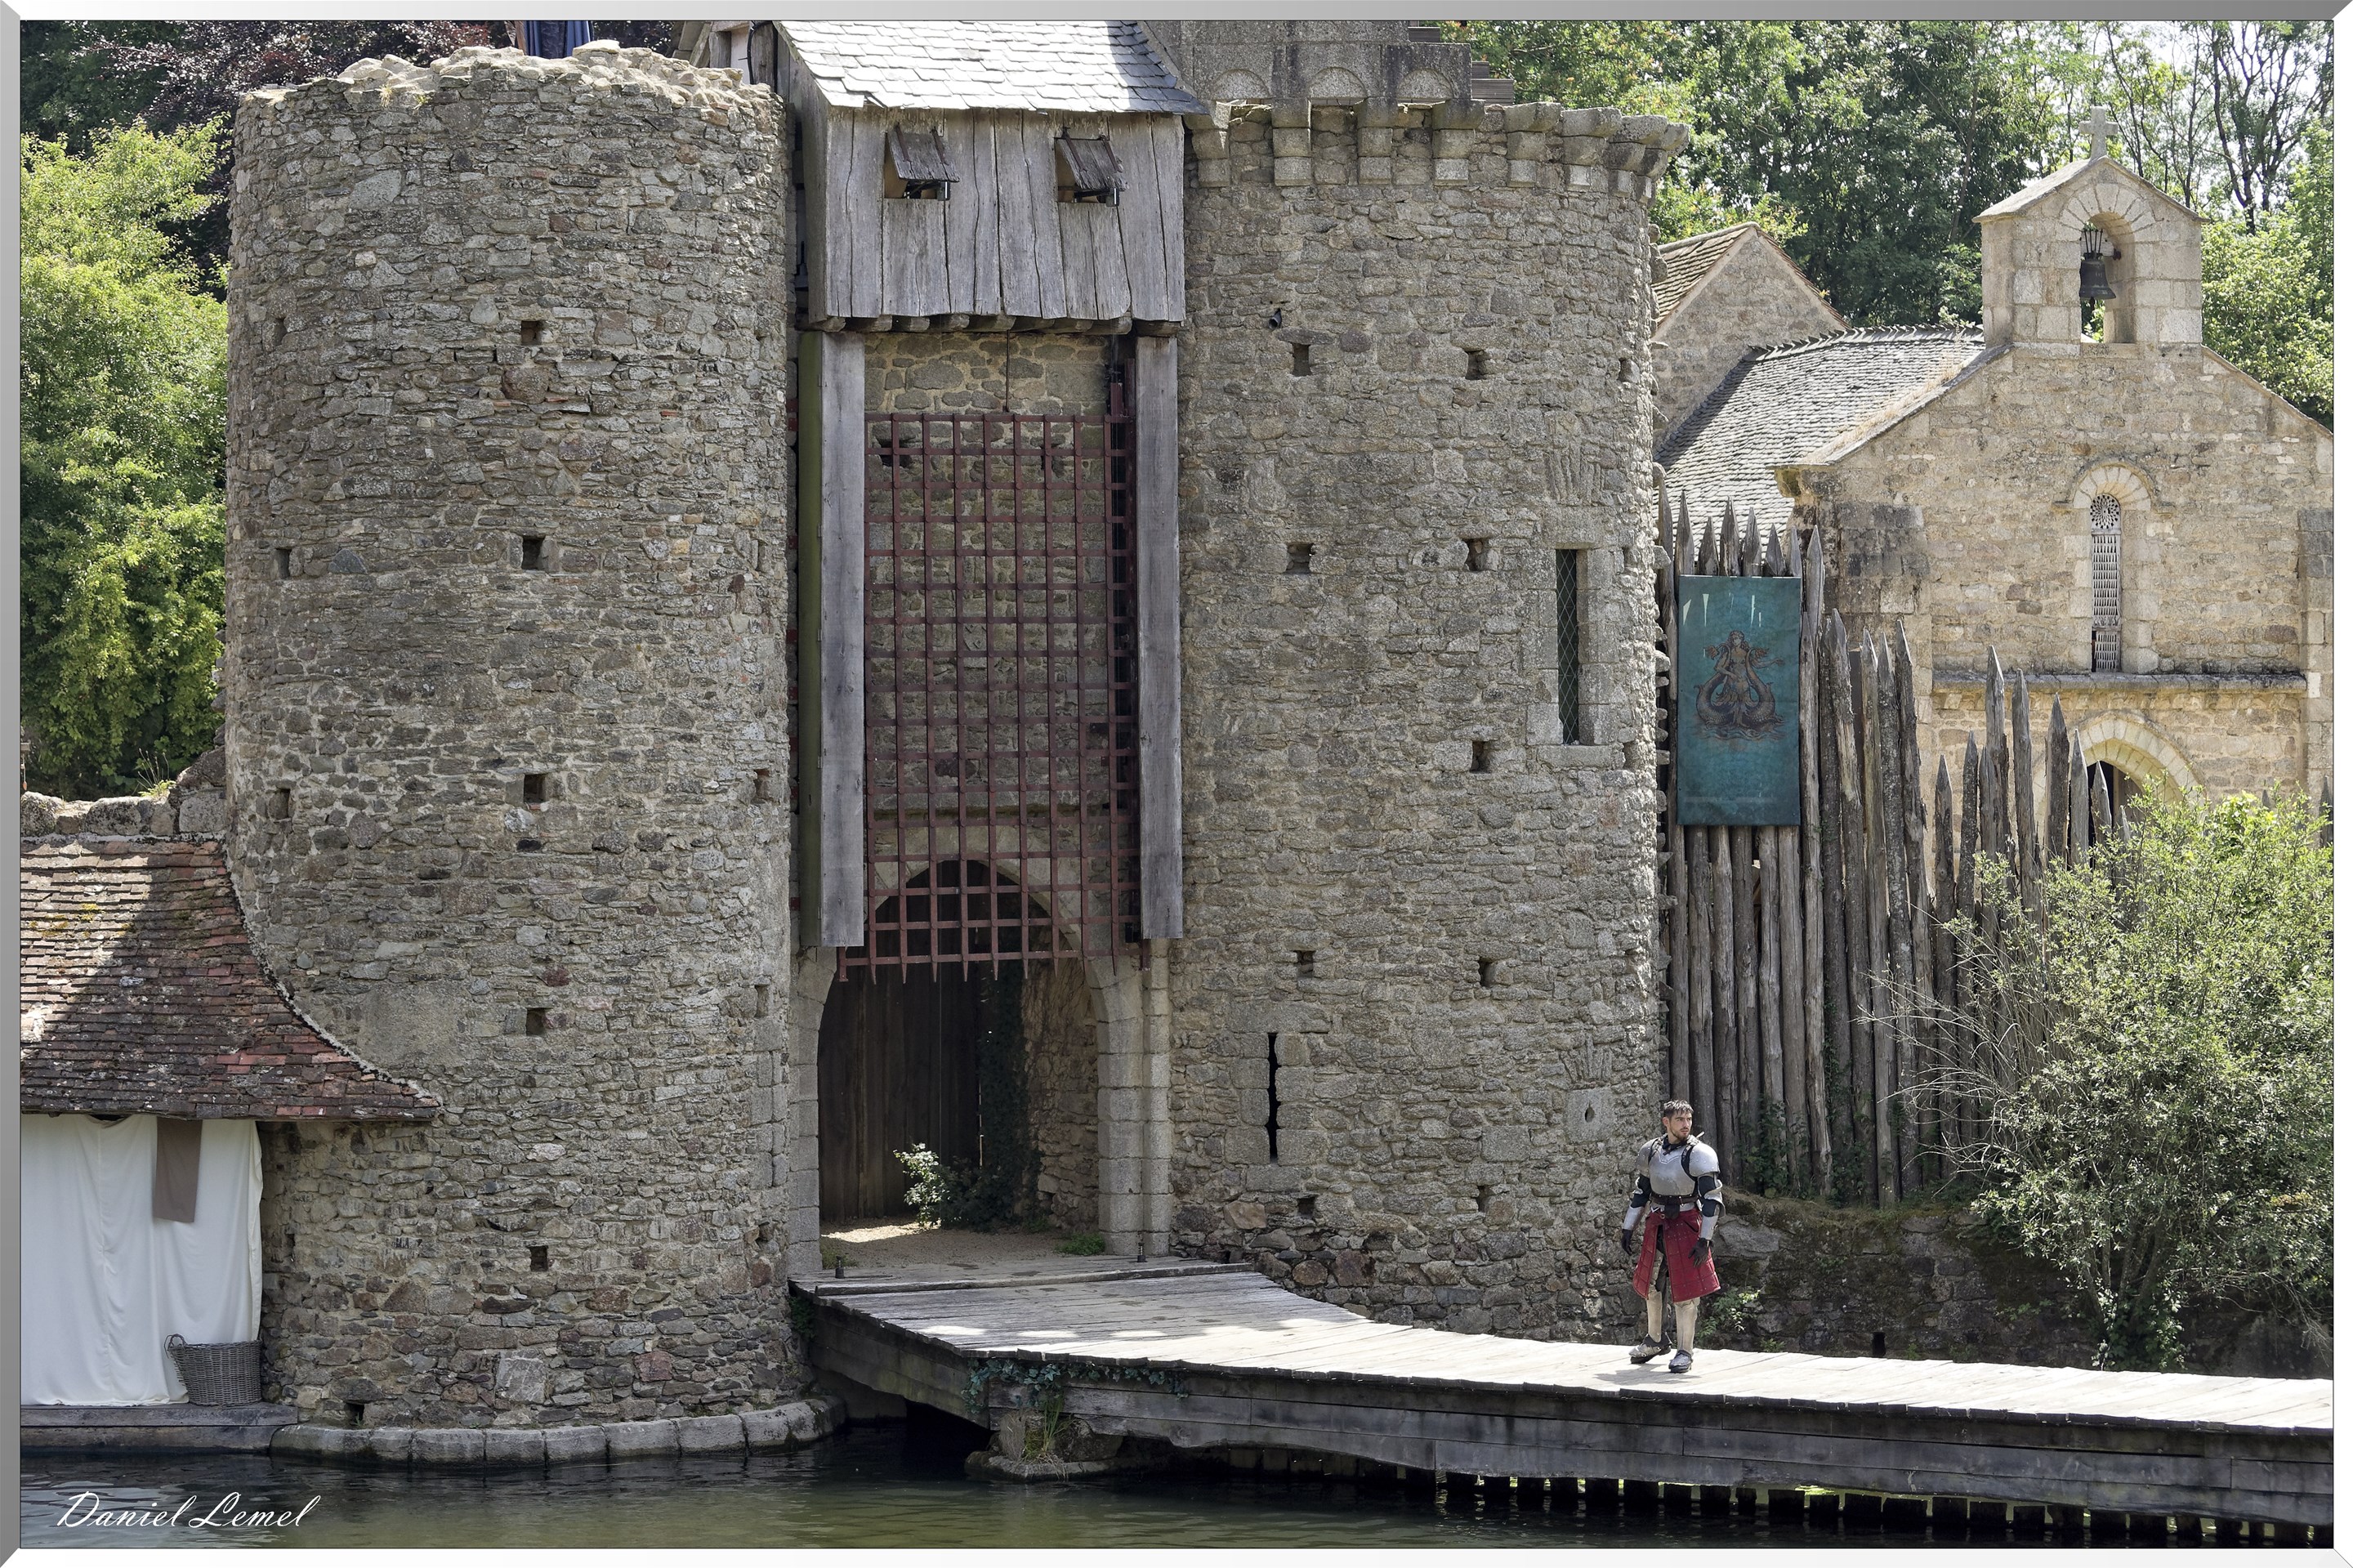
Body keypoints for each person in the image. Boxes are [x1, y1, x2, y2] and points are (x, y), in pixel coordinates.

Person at [1617, 1098, 1722, 1373]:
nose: (1686, 1125)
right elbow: (1641, 1192)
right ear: (1666, 1122)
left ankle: (1685, 1351)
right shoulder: (1650, 1151)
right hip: (1658, 1224)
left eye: (1688, 1119)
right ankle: (1655, 1340)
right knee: (1651, 1285)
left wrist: (1704, 1239)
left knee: (1686, 1293)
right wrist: (1628, 1227)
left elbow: (1711, 1199)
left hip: (1687, 1224)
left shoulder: (1700, 1154)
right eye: (1680, 1120)